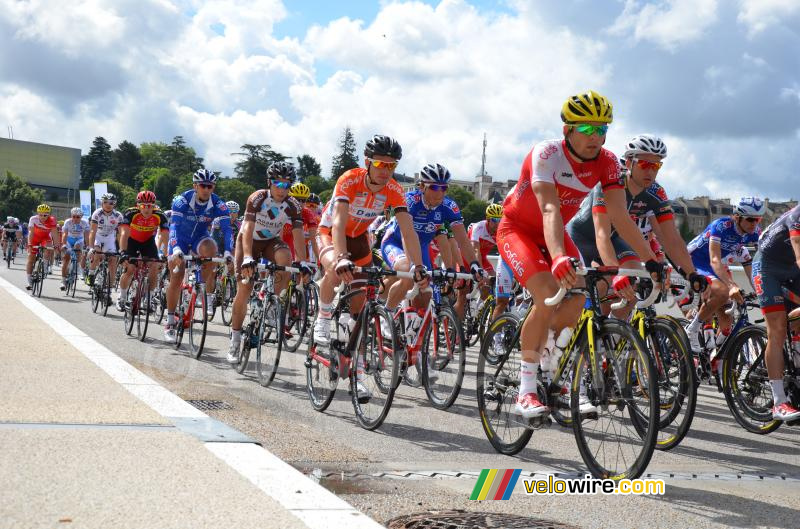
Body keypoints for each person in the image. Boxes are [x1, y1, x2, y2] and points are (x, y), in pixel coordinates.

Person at [497, 90, 667, 418]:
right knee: (547, 294)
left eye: (602, 129)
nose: (596, 136)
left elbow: (621, 217)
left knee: (578, 297)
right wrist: (559, 256)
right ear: (567, 130)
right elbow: (549, 209)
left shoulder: (608, 162)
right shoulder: (546, 154)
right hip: (518, 230)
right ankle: (526, 390)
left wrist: (650, 260)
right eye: (587, 129)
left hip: (555, 233)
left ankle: (552, 373)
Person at [311, 135, 426, 396]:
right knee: (335, 269)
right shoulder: (349, 179)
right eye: (381, 164)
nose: (386, 171)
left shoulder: (394, 189)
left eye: (391, 165)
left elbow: (408, 231)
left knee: (360, 312)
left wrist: (418, 265)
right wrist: (341, 257)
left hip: (360, 239)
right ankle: (323, 316)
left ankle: (358, 374)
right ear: (367, 163)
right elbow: (338, 223)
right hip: (330, 233)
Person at [566, 134, 708, 317]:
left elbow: (671, 239)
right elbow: (601, 234)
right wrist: (615, 272)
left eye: (656, 166)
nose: (650, 171)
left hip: (613, 238)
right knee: (597, 286)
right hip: (581, 237)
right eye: (644, 164)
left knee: (632, 286)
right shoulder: (611, 183)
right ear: (628, 163)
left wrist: (692, 274)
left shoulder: (656, 192)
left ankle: (612, 331)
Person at [379, 163, 483, 334]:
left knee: (426, 292)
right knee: (408, 273)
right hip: (396, 242)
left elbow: (461, 240)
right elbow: (407, 235)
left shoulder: (448, 206)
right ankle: (387, 314)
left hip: (421, 247)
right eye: (434, 187)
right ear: (422, 186)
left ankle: (413, 335)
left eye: (444, 188)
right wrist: (415, 265)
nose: (440, 192)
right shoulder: (410, 201)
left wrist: (473, 264)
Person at [226, 162, 311, 362]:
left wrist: (302, 261)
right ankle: (235, 338)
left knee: (286, 258)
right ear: (269, 183)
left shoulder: (293, 205)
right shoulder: (257, 198)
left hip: (270, 242)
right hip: (248, 241)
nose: (282, 189)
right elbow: (247, 228)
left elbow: (298, 233)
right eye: (278, 184)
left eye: (287, 185)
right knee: (244, 288)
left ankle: (272, 304)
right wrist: (248, 256)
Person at [684, 197, 764, 351]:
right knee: (723, 292)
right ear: (737, 217)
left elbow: (753, 270)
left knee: (727, 314)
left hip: (715, 265)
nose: (754, 224)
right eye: (750, 219)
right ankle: (692, 329)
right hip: (695, 260)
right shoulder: (721, 226)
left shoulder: (754, 233)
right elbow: (714, 260)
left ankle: (717, 354)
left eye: (758, 219)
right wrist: (731, 285)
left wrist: (761, 290)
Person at [164, 169, 233, 341]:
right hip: (180, 239)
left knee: (212, 249)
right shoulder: (182, 201)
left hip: (199, 238)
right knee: (177, 277)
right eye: (203, 186)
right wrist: (176, 248)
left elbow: (227, 229)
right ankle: (170, 321)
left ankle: (200, 285)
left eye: (210, 186)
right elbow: (174, 227)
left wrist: (228, 251)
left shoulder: (218, 204)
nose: (207, 189)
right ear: (195, 186)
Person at [751, 204, 800, 420]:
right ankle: (779, 403)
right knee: (778, 328)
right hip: (767, 267)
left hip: (791, 269)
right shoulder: (798, 215)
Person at [116, 191, 169, 311]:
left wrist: (166, 254)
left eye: (150, 206)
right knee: (130, 269)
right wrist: (123, 252)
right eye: (143, 205)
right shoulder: (131, 213)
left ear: (154, 205)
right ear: (138, 205)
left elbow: (165, 236)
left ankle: (148, 299)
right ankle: (122, 297)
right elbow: (124, 233)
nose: (146, 209)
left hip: (148, 242)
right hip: (132, 241)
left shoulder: (160, 215)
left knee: (154, 266)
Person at [87, 193, 124, 287]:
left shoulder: (118, 216)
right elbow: (92, 231)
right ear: (102, 203)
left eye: (111, 203)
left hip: (110, 237)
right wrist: (91, 247)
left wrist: (121, 249)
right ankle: (91, 274)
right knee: (97, 254)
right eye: (105, 202)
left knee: (113, 259)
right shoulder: (97, 213)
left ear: (114, 204)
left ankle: (110, 286)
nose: (108, 205)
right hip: (98, 235)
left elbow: (120, 234)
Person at [26, 204, 58, 289]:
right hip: (34, 238)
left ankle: (45, 267)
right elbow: (31, 233)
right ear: (38, 214)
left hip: (45, 238)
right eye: (40, 215)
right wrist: (29, 244)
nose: (43, 217)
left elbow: (54, 234)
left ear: (49, 214)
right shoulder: (33, 219)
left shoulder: (52, 220)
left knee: (48, 248)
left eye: (45, 215)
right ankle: (29, 281)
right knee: (31, 259)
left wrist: (56, 245)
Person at [60, 208, 90, 290]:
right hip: (69, 239)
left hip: (79, 239)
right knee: (66, 259)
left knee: (78, 247)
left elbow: (86, 236)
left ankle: (77, 266)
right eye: (74, 216)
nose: (75, 219)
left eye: (78, 217)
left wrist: (88, 246)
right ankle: (63, 281)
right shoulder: (67, 222)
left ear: (81, 217)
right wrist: (64, 244)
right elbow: (65, 234)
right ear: (71, 216)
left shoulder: (85, 223)